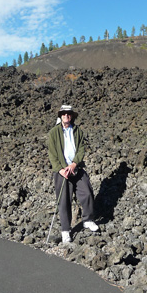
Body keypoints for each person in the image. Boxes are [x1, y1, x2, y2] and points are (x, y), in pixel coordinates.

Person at [48, 104, 99, 243]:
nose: (66, 116)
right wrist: (61, 169)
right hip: (62, 172)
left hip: (76, 168)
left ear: (72, 116)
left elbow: (81, 149)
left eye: (69, 113)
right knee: (64, 201)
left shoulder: (77, 131)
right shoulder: (53, 133)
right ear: (60, 116)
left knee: (87, 192)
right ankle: (66, 230)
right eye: (64, 114)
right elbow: (52, 154)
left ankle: (87, 220)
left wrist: (74, 164)